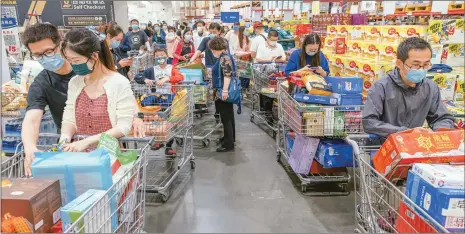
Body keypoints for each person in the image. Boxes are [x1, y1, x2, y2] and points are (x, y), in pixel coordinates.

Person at [60, 28, 138, 152]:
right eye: (69, 61)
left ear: (94, 56)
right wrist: (64, 139)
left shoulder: (119, 83)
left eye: (76, 61)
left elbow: (123, 127)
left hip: (110, 157)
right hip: (79, 156)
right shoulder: (75, 82)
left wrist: (88, 141)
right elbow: (70, 117)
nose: (73, 65)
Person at [362, 37, 455, 138]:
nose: (421, 70)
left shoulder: (430, 88)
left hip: (414, 145)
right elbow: (369, 122)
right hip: (383, 146)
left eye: (426, 65)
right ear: (399, 63)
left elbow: (442, 118)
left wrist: (439, 130)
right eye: (415, 65)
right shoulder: (381, 87)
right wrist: (405, 132)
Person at [134, 48, 184, 154]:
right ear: (154, 58)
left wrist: (167, 79)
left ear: (167, 56)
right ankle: (159, 140)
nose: (160, 58)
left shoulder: (172, 68)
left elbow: (180, 77)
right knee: (156, 121)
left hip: (169, 98)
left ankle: (169, 146)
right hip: (155, 100)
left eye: (162, 55)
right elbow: (138, 76)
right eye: (157, 56)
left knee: (168, 122)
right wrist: (145, 80)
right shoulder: (151, 70)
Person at [208, 37, 236, 152]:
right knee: (228, 115)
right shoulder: (225, 56)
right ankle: (229, 138)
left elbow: (227, 75)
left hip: (223, 91)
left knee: (226, 117)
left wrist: (224, 91)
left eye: (212, 49)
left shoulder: (224, 58)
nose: (212, 52)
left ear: (215, 48)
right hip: (222, 90)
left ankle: (228, 144)